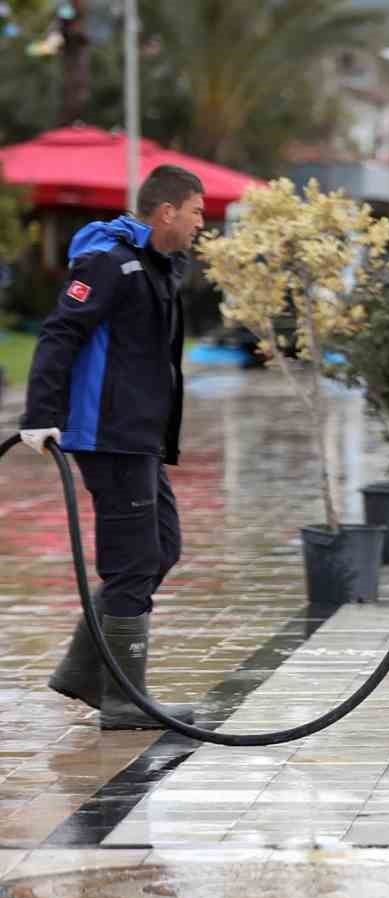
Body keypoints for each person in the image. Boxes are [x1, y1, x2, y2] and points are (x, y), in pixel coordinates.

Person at [19, 165, 207, 729]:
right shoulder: (110, 263)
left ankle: (83, 672)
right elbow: (61, 331)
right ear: (167, 211)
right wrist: (41, 416)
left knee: (161, 549)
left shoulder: (154, 266)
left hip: (139, 437)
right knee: (132, 563)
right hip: (108, 435)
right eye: (196, 211)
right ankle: (125, 699)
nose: (202, 223)